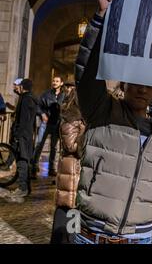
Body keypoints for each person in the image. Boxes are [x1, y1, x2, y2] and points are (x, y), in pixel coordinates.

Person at [73, 0, 152, 244]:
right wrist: (101, 20)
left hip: (141, 238)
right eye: (136, 81)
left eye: (149, 84)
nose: (142, 89)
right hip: (92, 235)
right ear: (125, 83)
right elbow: (86, 73)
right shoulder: (102, 110)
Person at [50, 86, 85, 244]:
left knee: (73, 210)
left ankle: (69, 240)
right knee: (68, 208)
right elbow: (71, 146)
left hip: (76, 171)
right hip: (71, 172)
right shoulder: (71, 116)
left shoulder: (80, 117)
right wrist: (87, 131)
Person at [6, 79, 38, 201]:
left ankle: (22, 188)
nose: (17, 87)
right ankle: (26, 188)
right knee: (25, 160)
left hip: (22, 136)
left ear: (23, 87)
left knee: (21, 161)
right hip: (28, 135)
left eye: (19, 85)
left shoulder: (25, 99)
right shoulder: (32, 98)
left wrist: (17, 135)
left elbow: (23, 119)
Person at [32, 76, 66, 177]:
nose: (54, 83)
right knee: (39, 145)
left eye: (57, 81)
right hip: (45, 123)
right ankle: (34, 167)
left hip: (57, 124)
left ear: (61, 83)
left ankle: (52, 169)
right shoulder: (46, 94)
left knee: (54, 147)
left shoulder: (64, 95)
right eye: (53, 81)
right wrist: (42, 114)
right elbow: (38, 105)